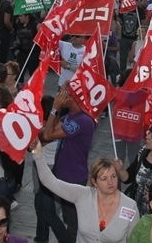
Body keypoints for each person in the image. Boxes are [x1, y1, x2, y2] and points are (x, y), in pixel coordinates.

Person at [32, 140, 139, 242]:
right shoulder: (82, 195)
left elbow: (134, 240)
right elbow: (50, 182)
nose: (110, 182)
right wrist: (38, 154)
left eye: (114, 176)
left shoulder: (130, 206)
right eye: (104, 179)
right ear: (94, 182)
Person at [42, 88, 96, 242]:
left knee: (73, 224)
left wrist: (54, 109)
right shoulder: (70, 117)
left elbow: (48, 135)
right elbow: (48, 131)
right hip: (61, 174)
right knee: (51, 212)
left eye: (62, 93)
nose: (58, 96)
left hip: (72, 178)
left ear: (71, 97)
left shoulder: (83, 120)